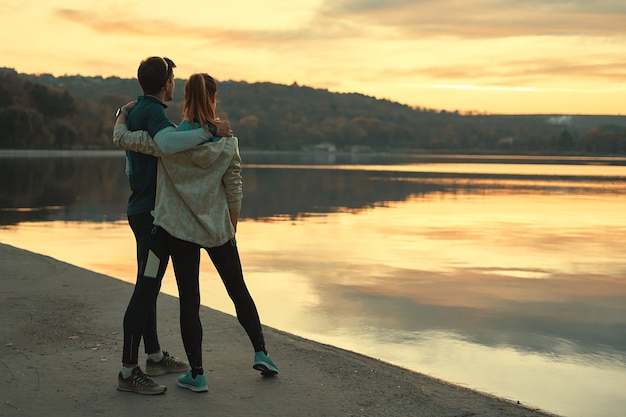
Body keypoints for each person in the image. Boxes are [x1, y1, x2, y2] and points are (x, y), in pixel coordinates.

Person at [113, 73, 278, 394]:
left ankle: (197, 375)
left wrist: (121, 117)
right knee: (238, 289)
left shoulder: (171, 141)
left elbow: (128, 140)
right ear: (214, 99)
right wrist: (232, 227)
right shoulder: (228, 141)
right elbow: (234, 187)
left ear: (185, 98)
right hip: (218, 227)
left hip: (180, 229)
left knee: (190, 301)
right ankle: (262, 353)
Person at [115, 57, 232, 395]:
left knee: (149, 285)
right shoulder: (153, 112)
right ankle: (127, 371)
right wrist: (210, 130)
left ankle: (152, 355)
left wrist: (119, 116)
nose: (174, 84)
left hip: (146, 212)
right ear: (165, 83)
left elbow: (128, 138)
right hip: (150, 217)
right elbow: (167, 144)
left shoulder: (137, 109)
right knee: (146, 287)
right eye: (172, 79)